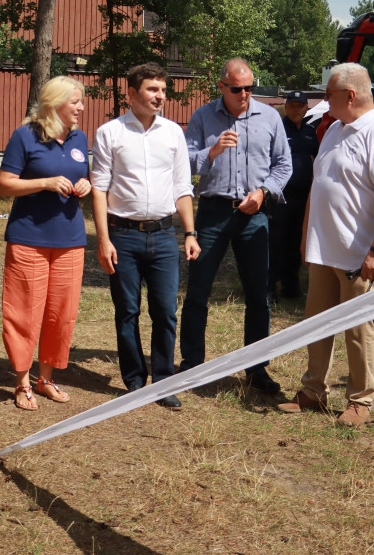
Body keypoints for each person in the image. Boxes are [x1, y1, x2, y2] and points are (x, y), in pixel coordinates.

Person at [277, 63, 374, 426]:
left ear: (350, 95)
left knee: (357, 328)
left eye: (329, 94)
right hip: (324, 250)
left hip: (358, 254)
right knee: (316, 323)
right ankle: (313, 391)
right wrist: (307, 238)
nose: (324, 101)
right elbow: (320, 188)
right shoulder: (334, 129)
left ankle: (360, 401)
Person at [179, 58, 292, 393]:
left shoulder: (270, 116)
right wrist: (211, 152)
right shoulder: (203, 117)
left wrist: (264, 192)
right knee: (198, 291)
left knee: (258, 294)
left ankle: (256, 369)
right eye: (237, 89)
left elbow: (284, 164)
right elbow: (184, 161)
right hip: (213, 211)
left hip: (254, 214)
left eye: (249, 88)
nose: (244, 94)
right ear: (221, 87)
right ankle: (191, 366)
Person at [91, 63, 199, 409]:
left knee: (166, 311)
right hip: (124, 235)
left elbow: (183, 187)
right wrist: (103, 239)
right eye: (153, 90)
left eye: (163, 91)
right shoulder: (109, 133)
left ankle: (163, 381)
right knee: (127, 311)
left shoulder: (173, 133)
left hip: (165, 236)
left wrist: (190, 232)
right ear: (132, 94)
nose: (160, 97)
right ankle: (135, 381)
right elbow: (99, 189)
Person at [0, 76, 91, 410]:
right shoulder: (26, 136)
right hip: (29, 238)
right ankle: (22, 382)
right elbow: (4, 185)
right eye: (76, 101)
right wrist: (45, 182)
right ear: (55, 103)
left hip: (70, 240)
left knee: (59, 314)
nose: (82, 107)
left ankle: (46, 377)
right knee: (25, 312)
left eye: (82, 101)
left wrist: (86, 187)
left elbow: (84, 176)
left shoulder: (80, 137)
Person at [268, 90, 318, 300]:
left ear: (306, 108)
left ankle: (291, 287)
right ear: (286, 107)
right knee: (275, 243)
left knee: (296, 243)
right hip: (280, 197)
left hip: (303, 197)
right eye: (293, 105)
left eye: (300, 105)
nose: (296, 109)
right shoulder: (277, 129)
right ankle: (269, 288)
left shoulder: (310, 132)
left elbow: (315, 157)